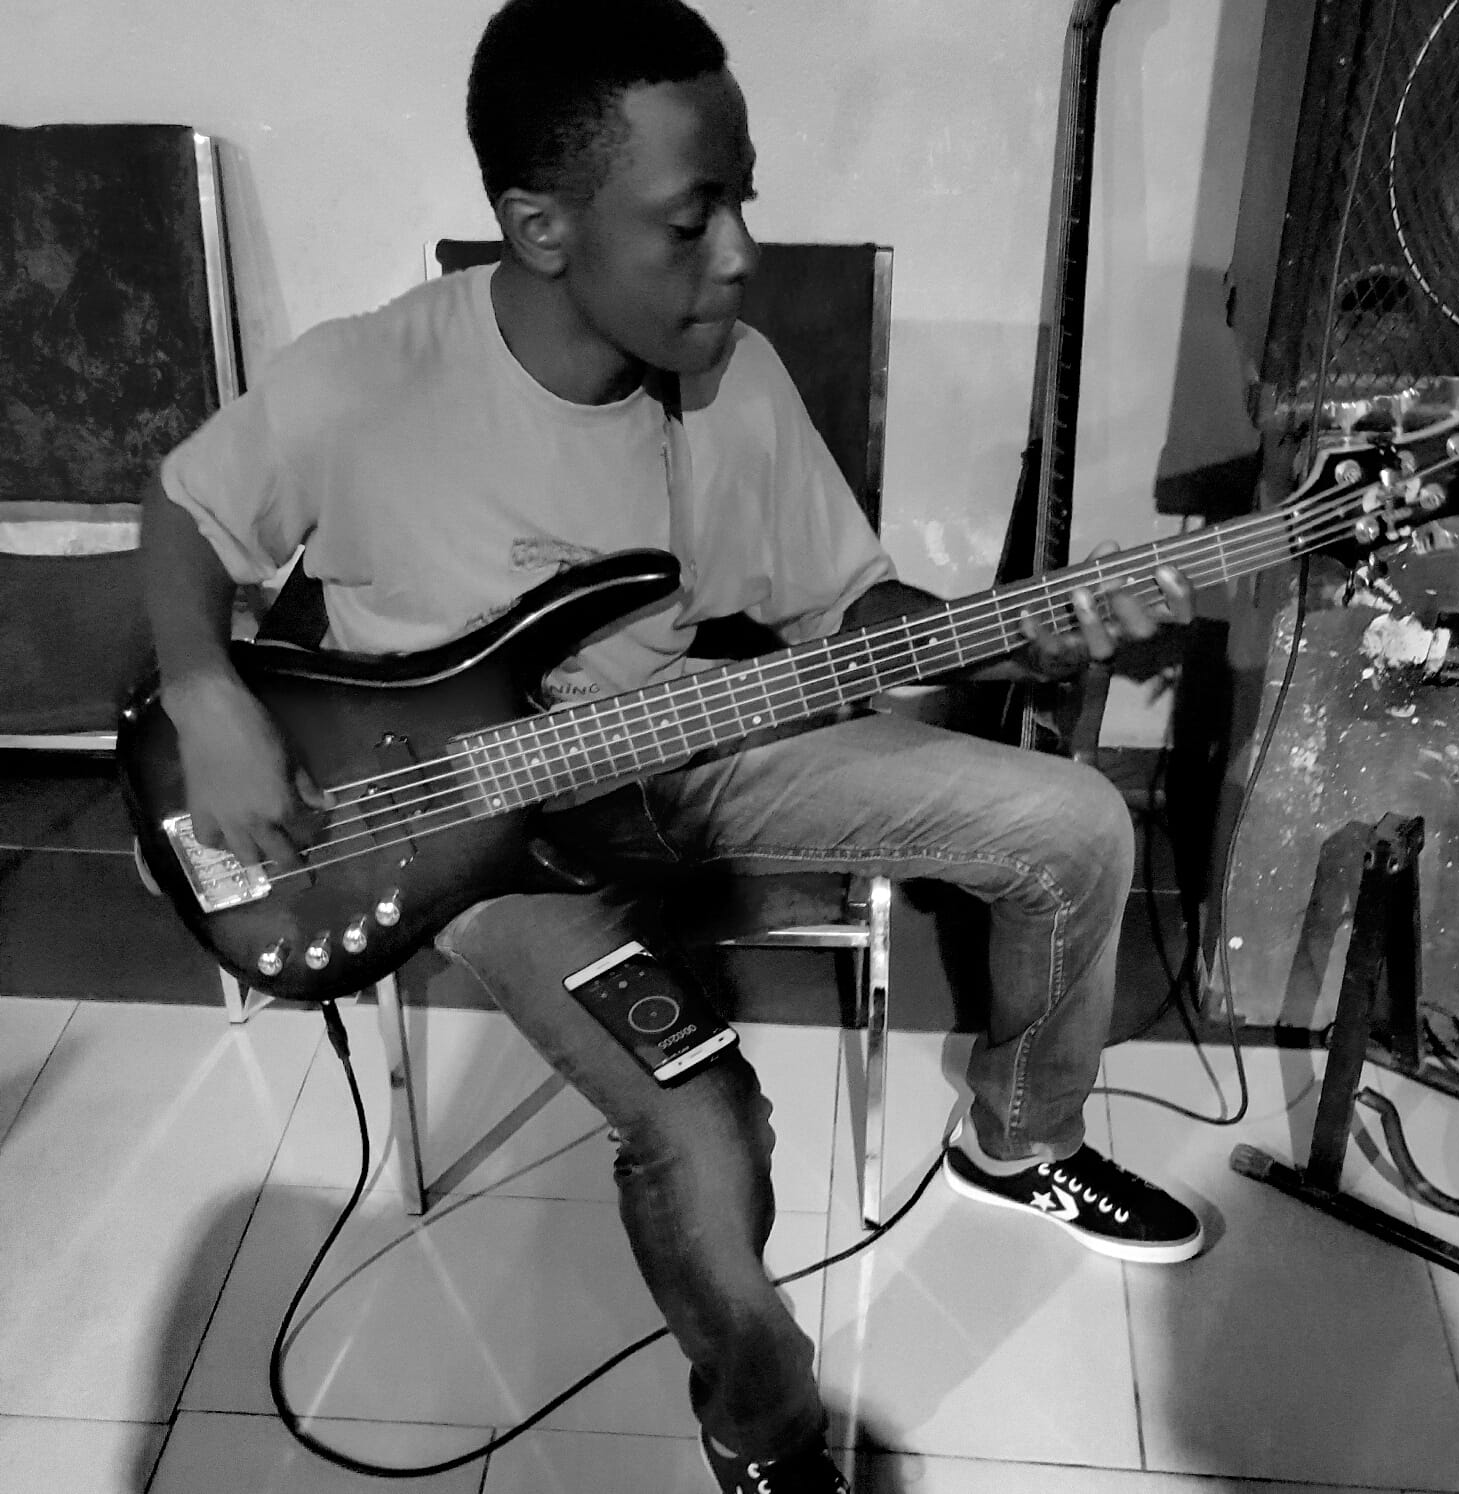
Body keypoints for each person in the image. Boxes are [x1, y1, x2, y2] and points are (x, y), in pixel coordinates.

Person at [141, 2, 1204, 1489]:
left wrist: (1022, 631)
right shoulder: (367, 378)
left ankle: (1018, 1138)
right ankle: (764, 1433)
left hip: (686, 744)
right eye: (693, 220)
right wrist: (206, 693)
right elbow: (186, 510)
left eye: (741, 201)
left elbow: (851, 610)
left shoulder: (731, 377)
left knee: (1076, 822)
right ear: (542, 225)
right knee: (709, 1139)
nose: (741, 253)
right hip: (474, 835)